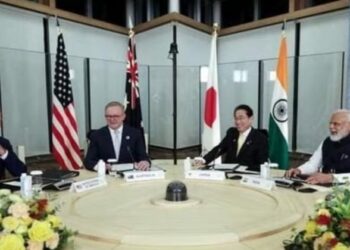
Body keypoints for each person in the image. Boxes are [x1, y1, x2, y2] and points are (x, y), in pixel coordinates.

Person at [195, 104, 268, 171]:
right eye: (236, 118)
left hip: (247, 177)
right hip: (227, 175)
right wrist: (204, 160)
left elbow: (261, 165)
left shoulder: (260, 138)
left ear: (251, 119)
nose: (238, 122)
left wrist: (243, 169)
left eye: (241, 118)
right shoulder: (231, 133)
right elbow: (219, 149)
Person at [286, 109, 350, 184]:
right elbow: (313, 165)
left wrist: (332, 178)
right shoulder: (327, 142)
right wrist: (299, 170)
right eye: (330, 123)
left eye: (336, 124)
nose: (331, 127)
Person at [84, 101, 150, 171]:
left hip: (130, 175)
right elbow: (88, 161)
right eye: (108, 116)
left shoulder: (135, 134)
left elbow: (144, 157)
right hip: (107, 176)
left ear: (123, 116)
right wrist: (101, 167)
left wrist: (145, 162)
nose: (112, 119)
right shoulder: (97, 135)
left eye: (116, 116)